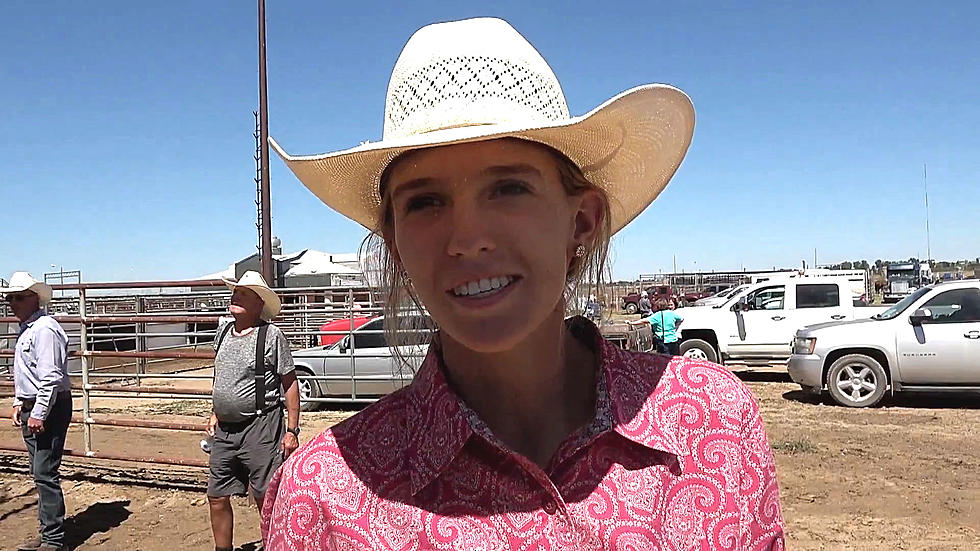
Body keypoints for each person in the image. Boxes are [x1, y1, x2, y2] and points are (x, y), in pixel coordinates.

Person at [262, 17, 784, 550]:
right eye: (425, 201)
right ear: (395, 244)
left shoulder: (710, 427)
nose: (466, 239)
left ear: (581, 221)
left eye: (508, 188)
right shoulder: (325, 499)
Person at [206, 271, 301, 551]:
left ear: (259, 304)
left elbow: (290, 383)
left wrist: (292, 430)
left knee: (265, 494)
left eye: (244, 293)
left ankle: (275, 546)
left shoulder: (271, 336)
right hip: (225, 429)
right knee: (216, 495)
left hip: (260, 425)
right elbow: (220, 375)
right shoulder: (223, 331)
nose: (236, 296)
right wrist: (215, 410)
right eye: (236, 291)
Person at [3, 272, 72, 551]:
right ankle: (49, 535)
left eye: (18, 297)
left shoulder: (44, 329)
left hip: (48, 405)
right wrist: (21, 402)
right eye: (10, 298)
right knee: (41, 471)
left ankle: (53, 539)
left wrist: (39, 412)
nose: (12, 303)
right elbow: (28, 374)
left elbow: (50, 377)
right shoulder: (31, 328)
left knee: (44, 472)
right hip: (37, 404)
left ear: (34, 298)